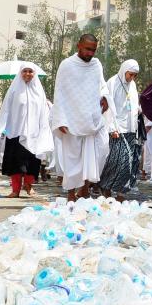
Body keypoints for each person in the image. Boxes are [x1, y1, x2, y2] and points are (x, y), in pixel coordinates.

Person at [51, 34, 111, 202]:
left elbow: (102, 85)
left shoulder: (96, 65)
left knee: (101, 152)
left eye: (93, 50)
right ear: (79, 46)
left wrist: (105, 96)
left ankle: (85, 188)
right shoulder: (67, 65)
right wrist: (60, 119)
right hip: (71, 119)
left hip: (92, 118)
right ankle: (71, 194)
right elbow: (60, 93)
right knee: (72, 158)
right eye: (87, 49)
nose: (90, 53)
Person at [0, 63, 53, 198]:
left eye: (30, 71)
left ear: (34, 74)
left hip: (34, 134)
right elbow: (5, 111)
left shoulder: (39, 93)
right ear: (20, 73)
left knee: (32, 163)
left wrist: (44, 132)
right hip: (15, 132)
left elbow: (43, 114)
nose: (27, 74)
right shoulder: (14, 91)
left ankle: (29, 186)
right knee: (15, 163)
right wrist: (1, 129)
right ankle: (15, 190)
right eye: (25, 71)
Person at [98, 59, 142, 201]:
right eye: (130, 74)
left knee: (129, 162)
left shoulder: (132, 85)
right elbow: (108, 107)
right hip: (116, 128)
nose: (132, 78)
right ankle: (105, 185)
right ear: (124, 71)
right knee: (117, 161)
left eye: (135, 75)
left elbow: (133, 105)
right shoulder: (113, 83)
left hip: (130, 128)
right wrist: (112, 128)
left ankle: (121, 193)